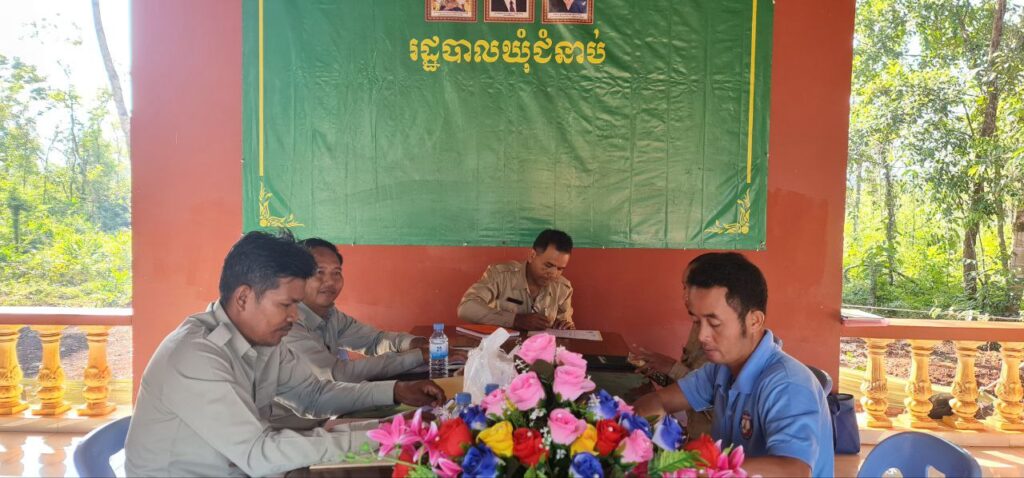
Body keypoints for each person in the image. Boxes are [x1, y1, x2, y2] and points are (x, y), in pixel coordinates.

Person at [125, 231, 446, 477]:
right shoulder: (196, 355)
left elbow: (313, 395)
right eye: (286, 305)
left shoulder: (263, 340)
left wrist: (391, 418)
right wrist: (382, 438)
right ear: (243, 298)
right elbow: (259, 452)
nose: (295, 316)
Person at [632, 253, 833, 477]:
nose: (702, 336)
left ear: (754, 321)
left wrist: (697, 469)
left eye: (714, 323)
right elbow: (656, 401)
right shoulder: (720, 370)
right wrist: (659, 449)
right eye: (697, 322)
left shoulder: (787, 383)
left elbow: (794, 470)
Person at [271, 238, 467, 429]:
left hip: (329, 417)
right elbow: (336, 375)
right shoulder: (287, 325)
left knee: (433, 418)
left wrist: (414, 344)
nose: (329, 281)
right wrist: (410, 367)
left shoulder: (331, 315)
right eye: (319, 272)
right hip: (294, 431)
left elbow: (375, 340)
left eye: (336, 273)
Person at [458, 229, 575, 331]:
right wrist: (515, 320)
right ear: (532, 256)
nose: (553, 274)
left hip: (541, 349)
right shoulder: (501, 276)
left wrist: (565, 328)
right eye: (548, 265)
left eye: (560, 269)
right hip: (500, 347)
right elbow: (466, 308)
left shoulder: (563, 288)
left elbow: (565, 325)